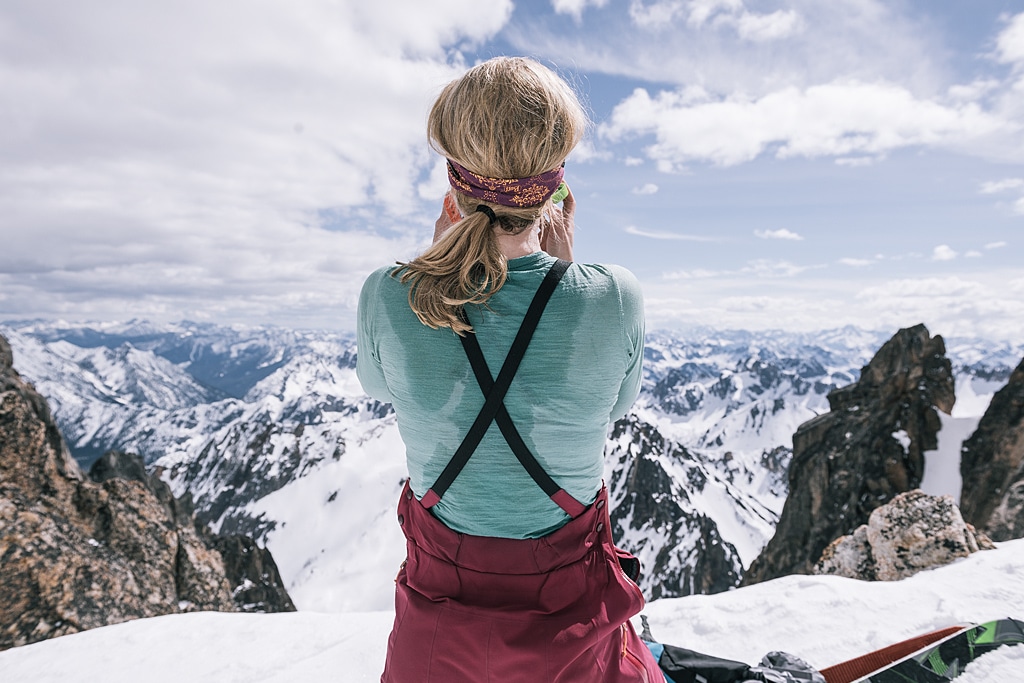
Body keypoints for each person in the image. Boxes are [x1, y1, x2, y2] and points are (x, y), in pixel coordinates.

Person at [357, 56, 660, 682]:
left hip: (438, 606)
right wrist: (568, 273)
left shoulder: (387, 294)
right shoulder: (615, 294)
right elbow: (619, 402)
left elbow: (379, 385)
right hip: (568, 605)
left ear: (454, 185)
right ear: (555, 189)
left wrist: (439, 264)